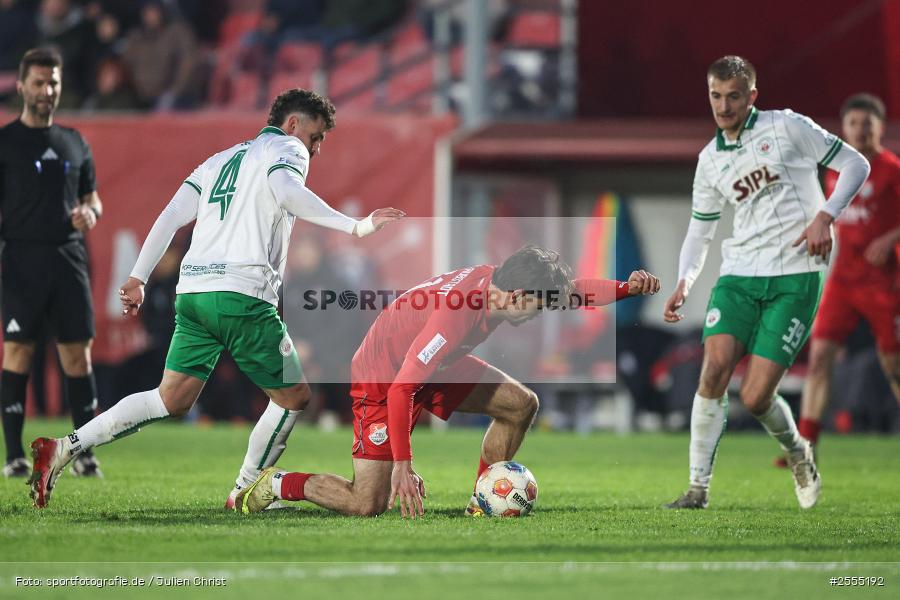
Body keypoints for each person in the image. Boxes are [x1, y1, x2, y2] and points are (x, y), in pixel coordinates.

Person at [27, 88, 405, 508]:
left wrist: (138, 276)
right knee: (293, 396)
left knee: (169, 398)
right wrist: (355, 226)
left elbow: (172, 214)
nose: (315, 150)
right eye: (315, 137)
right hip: (240, 295)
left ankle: (63, 447)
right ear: (293, 124)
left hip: (192, 294)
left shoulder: (219, 160)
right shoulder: (288, 150)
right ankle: (244, 490)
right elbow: (285, 191)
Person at [233, 245, 660, 518]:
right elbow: (402, 388)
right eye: (538, 307)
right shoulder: (457, 314)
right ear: (514, 297)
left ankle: (483, 501)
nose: (542, 313)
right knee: (367, 504)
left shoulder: (507, 279)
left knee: (520, 404)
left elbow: (572, 290)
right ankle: (275, 483)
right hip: (384, 379)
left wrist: (628, 288)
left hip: (433, 365)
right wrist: (403, 464)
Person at [661, 56, 871, 510]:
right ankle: (698, 488)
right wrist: (684, 281)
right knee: (713, 369)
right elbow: (702, 229)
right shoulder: (710, 160)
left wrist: (825, 216)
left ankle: (798, 450)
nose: (724, 106)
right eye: (716, 96)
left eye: (733, 96)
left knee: (757, 397)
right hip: (739, 274)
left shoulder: (787, 127)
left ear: (752, 95)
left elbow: (855, 165)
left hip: (795, 274)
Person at [773, 94, 900, 466]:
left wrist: (891, 237)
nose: (861, 130)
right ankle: (805, 446)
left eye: (868, 123)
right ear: (843, 128)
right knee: (818, 357)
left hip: (883, 283)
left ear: (880, 126)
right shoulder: (835, 170)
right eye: (854, 123)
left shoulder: (892, 169)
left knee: (892, 363)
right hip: (843, 281)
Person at [0, 48, 104, 478]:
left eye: (54, 83)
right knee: (18, 351)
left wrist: (91, 214)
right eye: (40, 82)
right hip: (22, 256)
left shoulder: (75, 141)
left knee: (78, 355)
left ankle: (83, 453)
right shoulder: (5, 142)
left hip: (68, 257)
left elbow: (92, 198)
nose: (48, 90)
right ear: (22, 85)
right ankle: (13, 457)